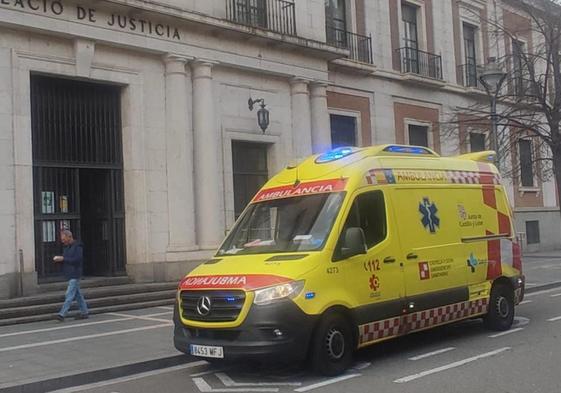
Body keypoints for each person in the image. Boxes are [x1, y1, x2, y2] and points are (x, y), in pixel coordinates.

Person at [53, 230, 89, 321]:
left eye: (64, 239)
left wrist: (63, 259)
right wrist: (60, 260)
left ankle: (62, 314)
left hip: (75, 273)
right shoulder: (66, 247)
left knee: (69, 294)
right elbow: (66, 260)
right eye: (62, 239)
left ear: (70, 237)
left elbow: (77, 259)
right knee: (78, 295)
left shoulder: (78, 246)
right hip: (69, 273)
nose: (63, 241)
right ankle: (84, 312)